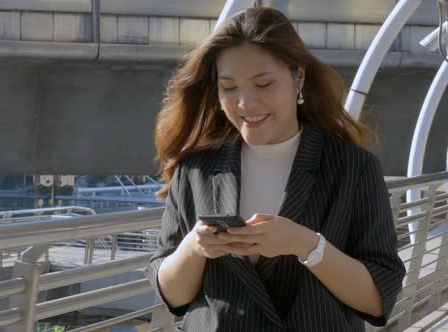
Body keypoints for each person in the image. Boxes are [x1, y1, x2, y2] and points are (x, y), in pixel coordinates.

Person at [145, 6, 406, 332]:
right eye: (229, 87)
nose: (245, 104)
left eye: (263, 84)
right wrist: (194, 248)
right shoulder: (195, 170)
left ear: (298, 77)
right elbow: (174, 297)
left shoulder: (353, 168)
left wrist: (307, 245)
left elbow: (379, 298)